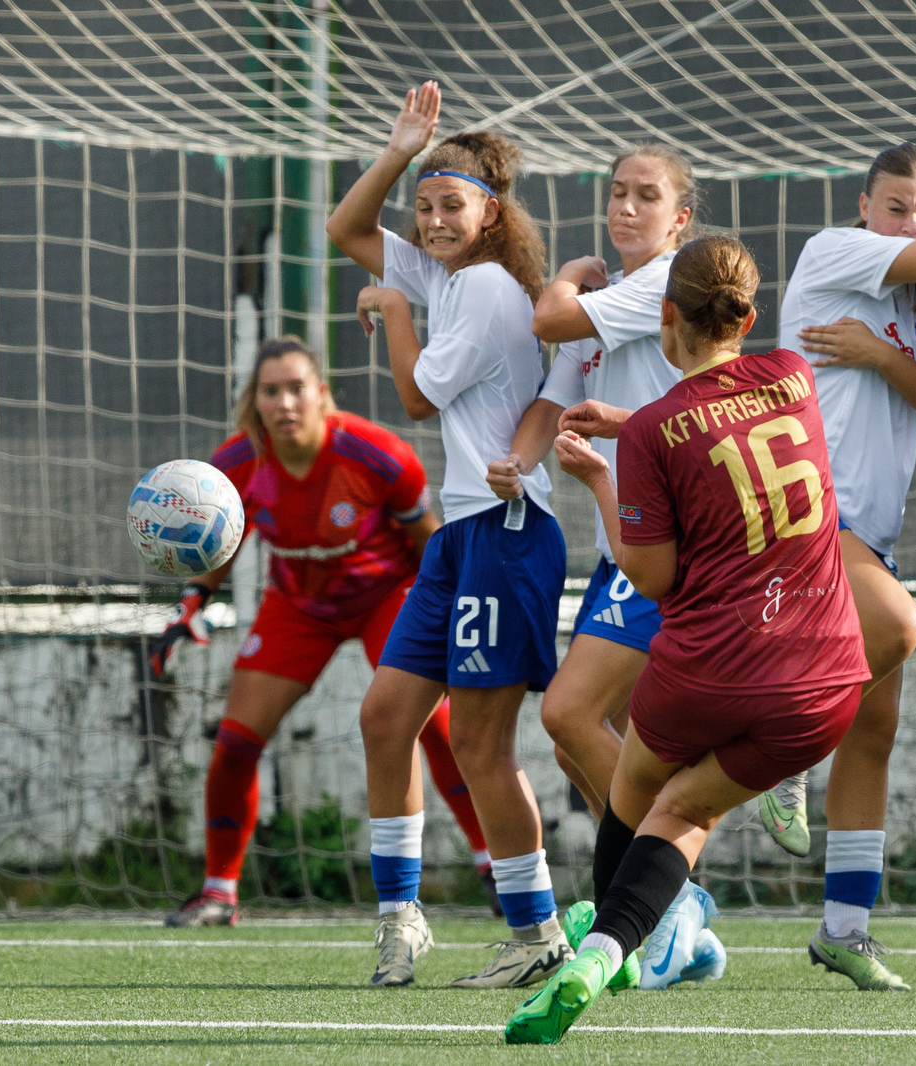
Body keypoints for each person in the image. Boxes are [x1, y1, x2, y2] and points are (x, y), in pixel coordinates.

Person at [506, 235, 870, 1043]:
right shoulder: (794, 378)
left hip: (708, 671)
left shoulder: (652, 434)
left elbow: (655, 578)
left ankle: (609, 951)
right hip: (825, 681)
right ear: (748, 316)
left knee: (640, 804)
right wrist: (634, 432)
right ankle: (620, 950)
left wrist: (603, 474)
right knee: (690, 810)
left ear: (666, 318)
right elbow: (730, 426)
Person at [327, 82, 569, 988]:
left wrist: (391, 314)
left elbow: (417, 396)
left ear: (490, 212)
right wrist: (398, 151)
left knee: (481, 745)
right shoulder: (450, 272)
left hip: (508, 532)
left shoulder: (486, 288)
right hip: (462, 535)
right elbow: (347, 232)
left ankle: (538, 930)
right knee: (386, 717)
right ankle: (401, 918)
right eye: (424, 205)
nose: (430, 220)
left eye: (450, 204)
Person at [149, 337, 498, 926]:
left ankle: (493, 867)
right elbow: (220, 544)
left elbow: (430, 545)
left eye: (296, 388)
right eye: (270, 391)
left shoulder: (378, 455)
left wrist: (456, 612)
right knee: (235, 741)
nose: (285, 402)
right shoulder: (234, 464)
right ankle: (219, 892)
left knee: (435, 727)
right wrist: (193, 601)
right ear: (254, 402)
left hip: (385, 595)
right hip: (298, 604)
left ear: (323, 396)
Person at [489, 142, 722, 990]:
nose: (626, 208)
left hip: (676, 541)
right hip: (626, 536)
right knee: (575, 739)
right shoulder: (614, 302)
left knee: (568, 713)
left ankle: (664, 900)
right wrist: (515, 463)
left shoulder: (660, 286)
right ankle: (670, 907)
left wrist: (566, 278)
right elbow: (555, 395)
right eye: (617, 193)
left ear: (680, 218)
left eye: (646, 196)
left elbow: (551, 322)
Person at [759, 143, 916, 990]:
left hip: (871, 530)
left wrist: (884, 355)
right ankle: (779, 751)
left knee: (874, 724)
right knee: (898, 626)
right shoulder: (833, 252)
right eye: (898, 207)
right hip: (804, 512)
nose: (914, 223)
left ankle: (845, 927)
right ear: (864, 209)